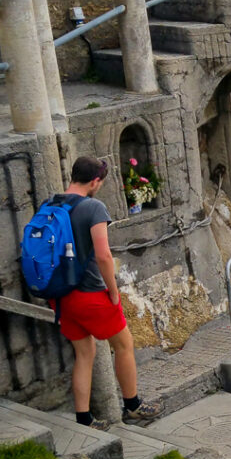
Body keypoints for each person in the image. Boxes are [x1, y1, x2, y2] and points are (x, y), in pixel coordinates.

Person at [50, 156, 162, 429]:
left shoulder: (51, 204)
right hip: (89, 293)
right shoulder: (93, 208)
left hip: (60, 295)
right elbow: (103, 255)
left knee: (84, 353)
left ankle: (84, 419)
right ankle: (133, 405)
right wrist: (113, 292)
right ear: (95, 181)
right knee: (124, 345)